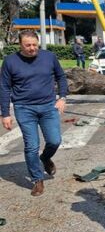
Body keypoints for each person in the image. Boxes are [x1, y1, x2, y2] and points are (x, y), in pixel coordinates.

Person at [0, 30, 68, 196]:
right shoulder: (10, 61)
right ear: (20, 45)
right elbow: (4, 87)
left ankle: (45, 158)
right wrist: (5, 113)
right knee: (31, 146)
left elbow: (61, 77)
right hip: (24, 108)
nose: (32, 48)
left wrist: (63, 97)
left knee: (55, 140)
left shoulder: (49, 57)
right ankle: (37, 179)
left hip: (48, 106)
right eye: (27, 45)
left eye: (34, 44)